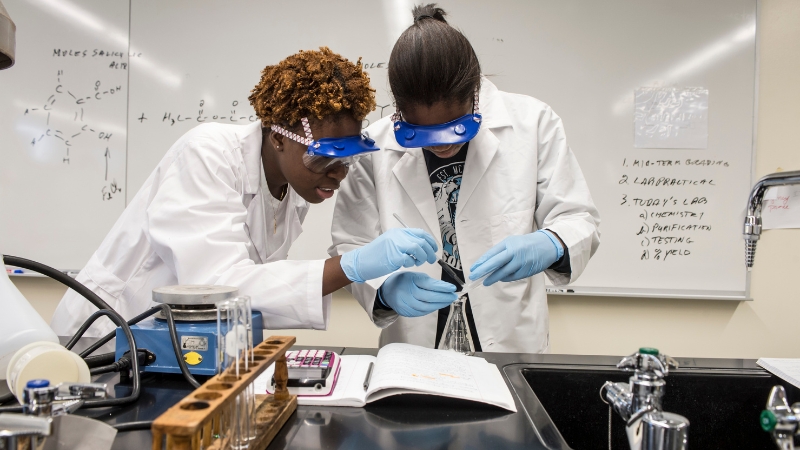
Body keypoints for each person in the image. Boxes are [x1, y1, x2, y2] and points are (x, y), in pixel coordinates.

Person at [51, 47, 441, 337]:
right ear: (278, 139)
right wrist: (350, 267)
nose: (339, 175)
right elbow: (215, 288)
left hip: (177, 343)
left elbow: (254, 293)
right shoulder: (209, 153)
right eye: (325, 159)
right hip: (103, 336)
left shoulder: (293, 188)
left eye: (349, 159)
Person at [329, 6, 601, 353]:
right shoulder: (375, 146)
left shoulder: (533, 123)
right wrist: (386, 288)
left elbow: (579, 218)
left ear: (475, 96)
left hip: (510, 340)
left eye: (456, 129)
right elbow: (350, 244)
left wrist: (550, 243)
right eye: (421, 133)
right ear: (399, 112)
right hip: (415, 343)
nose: (443, 145)